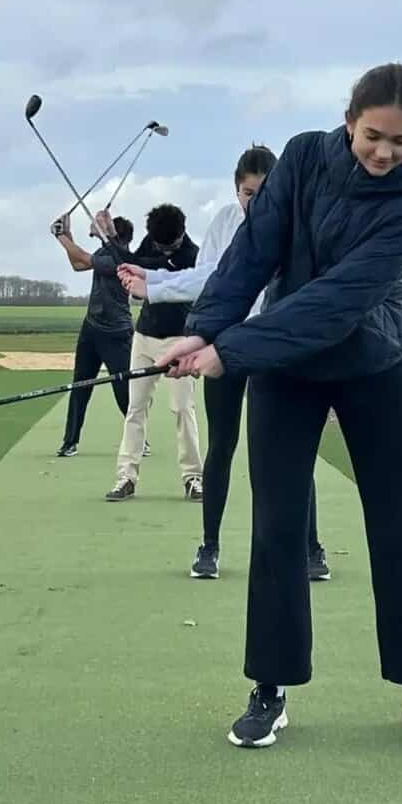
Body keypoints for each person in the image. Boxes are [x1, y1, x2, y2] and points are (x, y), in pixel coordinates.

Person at [163, 63, 402, 751]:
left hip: (374, 360)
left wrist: (235, 350)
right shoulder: (301, 157)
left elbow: (335, 303)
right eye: (372, 136)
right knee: (277, 527)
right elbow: (251, 254)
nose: (384, 152)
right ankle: (270, 687)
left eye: (400, 140)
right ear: (349, 119)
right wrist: (207, 328)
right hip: (286, 366)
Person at [118, 146, 329, 583]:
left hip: (275, 347)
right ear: (237, 190)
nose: (254, 200)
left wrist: (154, 283)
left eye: (263, 191)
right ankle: (209, 546)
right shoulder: (225, 223)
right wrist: (152, 281)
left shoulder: (296, 223)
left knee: (290, 451)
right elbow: (214, 277)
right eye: (247, 192)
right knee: (222, 445)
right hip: (226, 347)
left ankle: (311, 548)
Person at [103, 204, 204, 503]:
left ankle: (193, 477)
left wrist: (126, 256)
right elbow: (133, 261)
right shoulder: (153, 241)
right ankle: (126, 476)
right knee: (135, 408)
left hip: (178, 341)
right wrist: (110, 237)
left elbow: (152, 267)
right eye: (157, 244)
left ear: (181, 234)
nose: (161, 249)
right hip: (144, 337)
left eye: (167, 245)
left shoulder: (192, 256)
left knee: (183, 409)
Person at [51, 212, 139, 458]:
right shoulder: (103, 253)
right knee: (80, 385)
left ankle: (139, 439)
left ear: (115, 235)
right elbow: (78, 264)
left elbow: (81, 256)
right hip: (91, 328)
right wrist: (67, 234)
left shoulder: (120, 258)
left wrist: (60, 236)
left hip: (116, 332)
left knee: (122, 389)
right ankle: (70, 441)